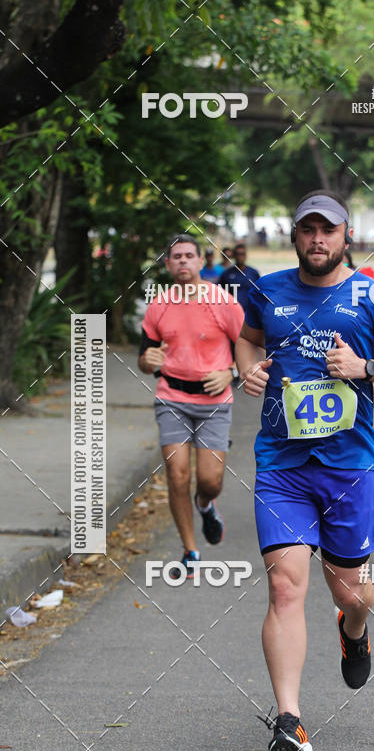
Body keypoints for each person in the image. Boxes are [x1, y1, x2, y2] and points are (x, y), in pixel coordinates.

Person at [235, 190, 374, 751]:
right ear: (295, 236)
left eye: (329, 230)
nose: (318, 239)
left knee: (351, 591)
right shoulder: (266, 290)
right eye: (308, 229)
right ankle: (289, 719)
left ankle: (354, 629)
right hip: (282, 466)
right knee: (285, 585)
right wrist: (249, 372)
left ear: (346, 237)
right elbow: (246, 340)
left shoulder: (371, 294)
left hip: (349, 469)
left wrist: (365, 367)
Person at [138, 234, 244, 572]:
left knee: (210, 481)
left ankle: (205, 504)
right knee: (177, 474)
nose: (183, 261)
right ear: (168, 265)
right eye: (176, 257)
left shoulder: (223, 302)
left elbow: (250, 348)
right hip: (172, 398)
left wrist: (231, 372)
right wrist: (147, 359)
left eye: (189, 255)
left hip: (215, 401)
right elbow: (145, 357)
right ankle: (190, 550)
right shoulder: (159, 305)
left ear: (201, 262)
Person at [219, 242, 260, 312]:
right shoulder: (226, 274)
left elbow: (259, 294)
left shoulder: (253, 273)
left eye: (242, 254)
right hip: (232, 313)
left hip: (250, 314)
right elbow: (220, 296)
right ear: (234, 256)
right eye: (238, 254)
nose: (240, 256)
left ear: (246, 256)